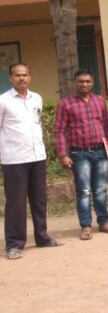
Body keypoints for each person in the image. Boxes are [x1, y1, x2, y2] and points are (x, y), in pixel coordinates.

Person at [1, 63, 62, 259]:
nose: (22, 78)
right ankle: (14, 244)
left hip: (37, 157)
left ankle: (42, 237)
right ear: (10, 78)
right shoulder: (3, 101)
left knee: (39, 200)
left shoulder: (37, 98)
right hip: (14, 159)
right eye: (17, 75)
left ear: (30, 76)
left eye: (25, 75)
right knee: (16, 203)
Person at [55, 68, 108, 240]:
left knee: (101, 190)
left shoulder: (100, 101)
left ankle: (103, 222)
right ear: (75, 83)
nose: (84, 84)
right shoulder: (65, 104)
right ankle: (86, 225)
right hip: (79, 154)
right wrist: (62, 154)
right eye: (81, 81)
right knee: (83, 191)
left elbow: (107, 126)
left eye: (87, 81)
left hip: (100, 152)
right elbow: (59, 131)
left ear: (92, 83)